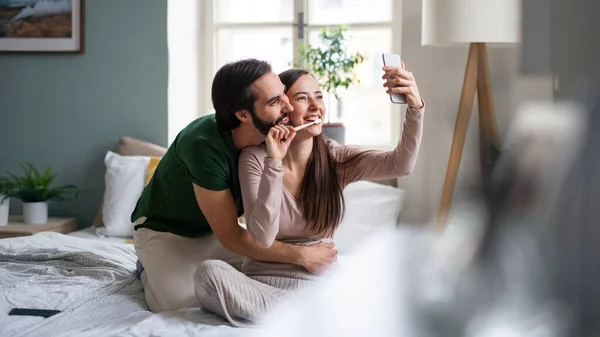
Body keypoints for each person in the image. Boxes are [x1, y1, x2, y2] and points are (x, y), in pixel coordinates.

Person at [194, 64, 425, 326]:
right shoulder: (255, 159)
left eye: (319, 96)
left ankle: (301, 315)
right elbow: (263, 236)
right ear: (283, 111)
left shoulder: (336, 158)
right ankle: (311, 316)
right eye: (303, 98)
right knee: (209, 274)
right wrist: (274, 162)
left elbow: (400, 164)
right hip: (261, 284)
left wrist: (415, 107)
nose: (316, 106)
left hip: (321, 283)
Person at [131, 59, 338, 313]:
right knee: (182, 306)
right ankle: (147, 268)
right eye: (275, 102)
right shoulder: (203, 146)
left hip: (215, 232)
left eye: (284, 94)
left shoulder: (270, 135)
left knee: (263, 278)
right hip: (167, 233)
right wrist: (302, 255)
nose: (289, 106)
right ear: (243, 114)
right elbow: (231, 236)